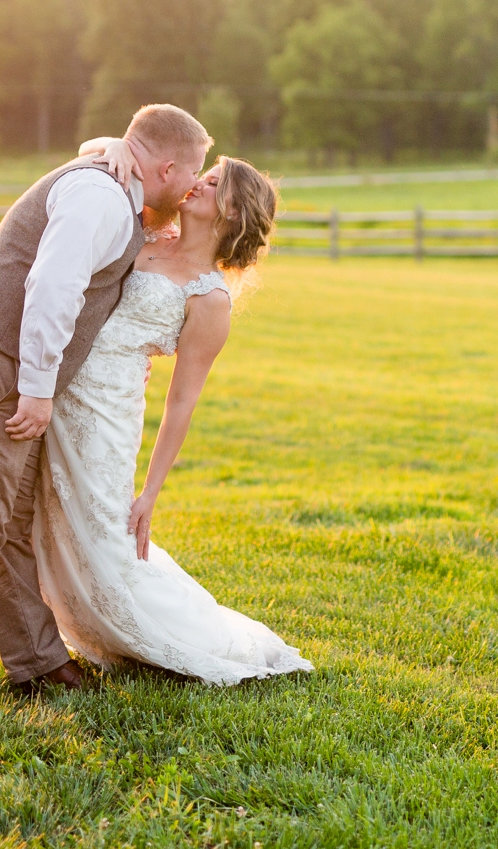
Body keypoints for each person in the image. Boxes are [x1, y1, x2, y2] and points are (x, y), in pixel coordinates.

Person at [0, 104, 208, 700]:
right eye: (194, 173)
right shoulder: (100, 195)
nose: (195, 186)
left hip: (1, 364)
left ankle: (37, 662)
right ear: (168, 167)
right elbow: (51, 285)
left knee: (12, 523)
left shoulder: (116, 188)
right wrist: (39, 389)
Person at [32, 140, 312, 685]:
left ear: (231, 210)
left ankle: (170, 635)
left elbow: (182, 402)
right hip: (56, 384)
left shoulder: (210, 300)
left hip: (108, 412)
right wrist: (113, 145)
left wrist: (151, 493)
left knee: (101, 529)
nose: (199, 181)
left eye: (214, 182)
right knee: (46, 514)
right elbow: (125, 155)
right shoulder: (148, 232)